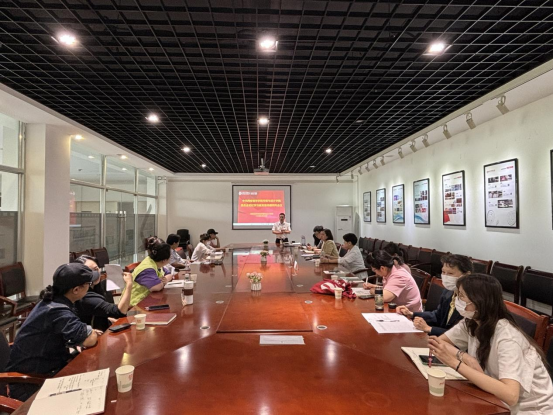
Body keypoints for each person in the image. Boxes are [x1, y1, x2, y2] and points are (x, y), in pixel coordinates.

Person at [428, 274, 553, 414]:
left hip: (528, 410)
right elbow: (439, 342)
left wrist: (455, 363)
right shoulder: (472, 322)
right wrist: (464, 356)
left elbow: (511, 395)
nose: (457, 300)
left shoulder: (508, 338)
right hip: (494, 399)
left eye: (461, 296)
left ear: (480, 301)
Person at [6, 263, 100, 401]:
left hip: (47, 369)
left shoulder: (52, 301)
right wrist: (87, 331)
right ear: (76, 290)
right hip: (32, 384)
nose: (90, 287)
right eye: (88, 284)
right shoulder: (57, 310)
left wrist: (84, 331)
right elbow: (89, 340)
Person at [396, 254, 472, 335]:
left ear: (466, 275)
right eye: (443, 272)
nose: (445, 276)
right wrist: (411, 314)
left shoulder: (471, 300)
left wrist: (429, 329)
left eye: (450, 273)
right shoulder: (448, 291)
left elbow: (462, 335)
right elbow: (437, 316)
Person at [73, 255, 134, 331]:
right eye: (89, 271)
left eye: (96, 269)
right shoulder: (85, 295)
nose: (95, 273)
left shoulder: (98, 286)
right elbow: (119, 312)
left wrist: (108, 320)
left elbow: (98, 311)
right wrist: (129, 284)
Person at [127, 237, 173, 307]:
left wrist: (165, 279)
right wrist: (163, 282)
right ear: (164, 260)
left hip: (148, 301)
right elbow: (156, 287)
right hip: (134, 305)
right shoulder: (147, 269)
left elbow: (169, 274)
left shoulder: (156, 263)